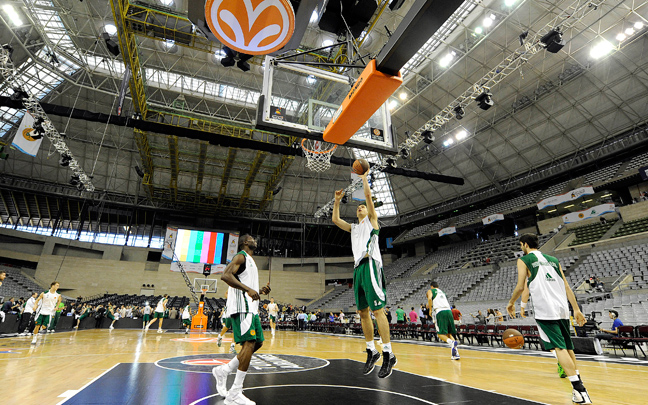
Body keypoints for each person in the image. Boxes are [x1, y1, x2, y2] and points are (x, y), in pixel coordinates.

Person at [507, 234, 591, 404]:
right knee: (568, 348)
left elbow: (521, 286)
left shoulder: (524, 260)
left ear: (524, 244)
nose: (521, 247)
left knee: (559, 348)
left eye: (520, 245)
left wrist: (511, 303)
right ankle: (577, 388)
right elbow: (566, 286)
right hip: (561, 308)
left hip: (545, 310)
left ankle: (580, 389)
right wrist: (575, 309)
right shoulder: (553, 259)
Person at [332, 173, 396, 379]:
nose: (360, 208)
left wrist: (364, 178)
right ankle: (372, 350)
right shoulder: (354, 228)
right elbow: (335, 219)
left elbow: (368, 197)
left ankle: (388, 353)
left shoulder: (372, 222)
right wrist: (337, 201)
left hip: (371, 266)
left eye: (363, 207)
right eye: (358, 207)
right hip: (358, 268)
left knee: (378, 311)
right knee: (362, 312)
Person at [212, 235, 271, 405]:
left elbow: (246, 284)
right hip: (241, 307)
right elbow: (225, 276)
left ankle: (224, 370)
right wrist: (249, 289)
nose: (255, 240)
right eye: (252, 238)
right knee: (249, 344)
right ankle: (235, 392)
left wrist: (259, 290)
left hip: (251, 308)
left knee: (257, 343)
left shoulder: (250, 260)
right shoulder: (240, 256)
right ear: (246, 242)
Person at [427, 281, 460, 360]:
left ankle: (451, 342)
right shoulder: (442, 292)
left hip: (440, 312)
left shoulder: (430, 290)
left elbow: (429, 298)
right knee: (449, 334)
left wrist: (430, 309)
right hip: (449, 311)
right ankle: (456, 354)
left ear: (431, 286)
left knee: (440, 334)